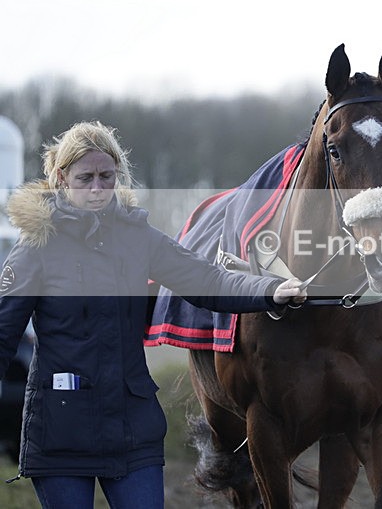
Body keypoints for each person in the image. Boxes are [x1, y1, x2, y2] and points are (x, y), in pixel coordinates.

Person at [0, 121, 306, 509]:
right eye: (86, 178)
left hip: (133, 428)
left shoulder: (139, 238)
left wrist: (269, 290)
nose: (97, 188)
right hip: (60, 430)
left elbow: (206, 279)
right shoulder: (34, 249)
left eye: (106, 177)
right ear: (62, 178)